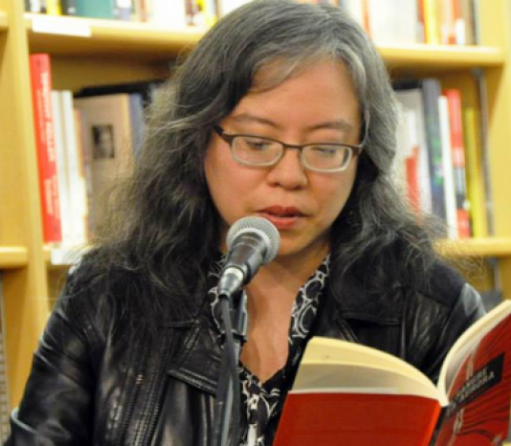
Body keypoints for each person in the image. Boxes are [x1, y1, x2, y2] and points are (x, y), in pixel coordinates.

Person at [7, 0, 485, 444]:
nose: (290, 177)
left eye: (325, 148)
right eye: (256, 143)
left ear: (364, 157)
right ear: (197, 140)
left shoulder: (432, 308)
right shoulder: (108, 293)